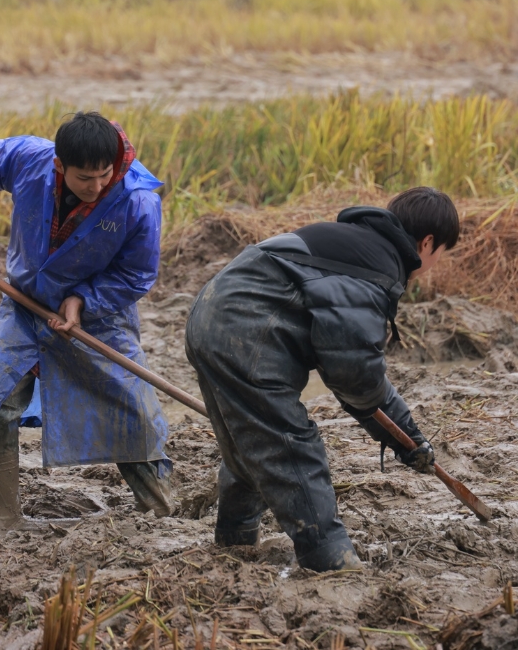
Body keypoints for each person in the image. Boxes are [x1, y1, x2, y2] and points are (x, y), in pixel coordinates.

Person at [0, 111, 173, 532]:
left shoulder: (137, 200)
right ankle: (5, 517)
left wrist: (83, 302)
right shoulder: (28, 159)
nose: (96, 188)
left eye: (104, 176)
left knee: (132, 411)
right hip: (25, 302)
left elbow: (136, 274)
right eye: (84, 179)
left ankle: (163, 510)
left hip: (98, 316)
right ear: (59, 165)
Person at [185, 187, 459, 573]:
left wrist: (405, 437)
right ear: (428, 243)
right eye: (440, 255)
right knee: (290, 445)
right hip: (246, 331)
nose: (434, 264)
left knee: (246, 441)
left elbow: (348, 367)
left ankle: (235, 542)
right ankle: (330, 560)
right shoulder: (376, 266)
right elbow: (354, 375)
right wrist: (408, 438)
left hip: (209, 316)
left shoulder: (353, 242)